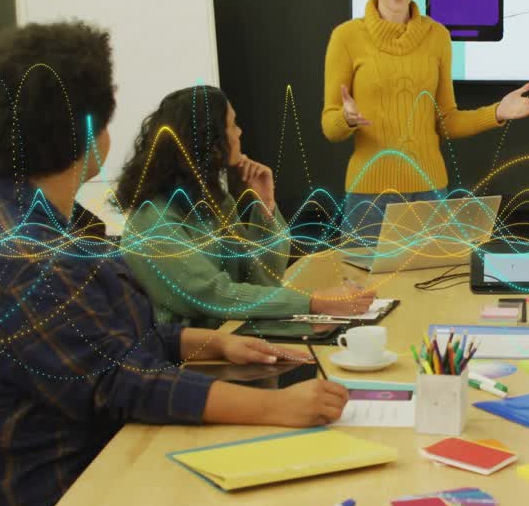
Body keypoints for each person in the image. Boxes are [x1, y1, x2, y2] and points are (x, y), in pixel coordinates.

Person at [0, 22, 350, 506]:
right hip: (47, 497)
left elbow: (125, 336)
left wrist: (212, 344)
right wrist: (277, 408)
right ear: (91, 133)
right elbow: (125, 383)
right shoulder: (31, 257)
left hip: (87, 446)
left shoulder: (49, 222)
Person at [323, 0, 529, 243]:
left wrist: (497, 112)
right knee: (364, 294)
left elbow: (447, 121)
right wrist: (346, 119)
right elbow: (329, 126)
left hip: (430, 193)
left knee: (433, 292)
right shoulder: (346, 38)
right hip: (368, 199)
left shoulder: (437, 37)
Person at [117, 85, 374, 327]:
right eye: (232, 125)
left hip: (234, 335)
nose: (240, 132)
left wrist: (265, 206)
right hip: (188, 360)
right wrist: (316, 302)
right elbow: (214, 296)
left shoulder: (213, 202)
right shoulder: (152, 220)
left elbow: (263, 279)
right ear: (212, 141)